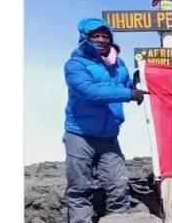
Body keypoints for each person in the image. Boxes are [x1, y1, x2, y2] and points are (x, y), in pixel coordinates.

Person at [63, 18, 147, 223]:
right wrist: (129, 93)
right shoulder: (75, 64)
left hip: (109, 136)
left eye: (105, 36)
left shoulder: (119, 64)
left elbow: (126, 84)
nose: (101, 40)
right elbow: (90, 91)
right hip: (79, 135)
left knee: (118, 185)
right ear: (85, 38)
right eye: (95, 36)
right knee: (80, 188)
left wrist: (137, 81)